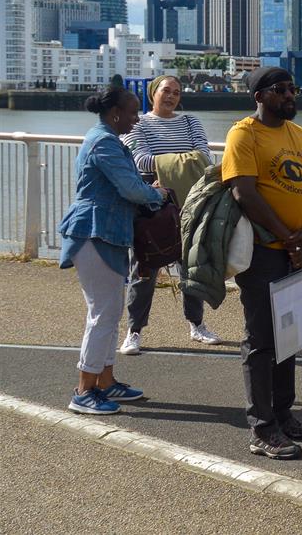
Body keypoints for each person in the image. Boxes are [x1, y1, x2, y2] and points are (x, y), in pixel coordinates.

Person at [221, 66, 302, 460]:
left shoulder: (300, 135)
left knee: (290, 336)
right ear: (260, 96)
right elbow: (244, 192)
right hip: (265, 251)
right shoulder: (243, 134)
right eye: (281, 90)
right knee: (261, 341)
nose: (289, 95)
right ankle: (262, 429)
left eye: (292, 88)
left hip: (300, 250)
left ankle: (284, 414)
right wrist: (285, 235)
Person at [58, 86, 167, 414]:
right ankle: (83, 391)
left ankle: (105, 382)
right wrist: (158, 194)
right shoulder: (104, 141)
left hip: (107, 234)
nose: (137, 119)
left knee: (110, 312)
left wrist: (149, 192)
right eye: (133, 113)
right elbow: (131, 188)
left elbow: (130, 187)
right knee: (102, 314)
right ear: (115, 113)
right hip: (94, 232)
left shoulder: (107, 139)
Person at [117, 74, 218, 355]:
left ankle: (196, 324)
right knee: (144, 268)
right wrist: (187, 160)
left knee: (192, 266)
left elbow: (206, 157)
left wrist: (167, 166)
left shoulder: (190, 121)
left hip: (191, 204)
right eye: (166, 90)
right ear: (153, 93)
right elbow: (140, 161)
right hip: (152, 207)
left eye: (176, 91)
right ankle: (134, 331)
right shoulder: (138, 124)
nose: (171, 96)